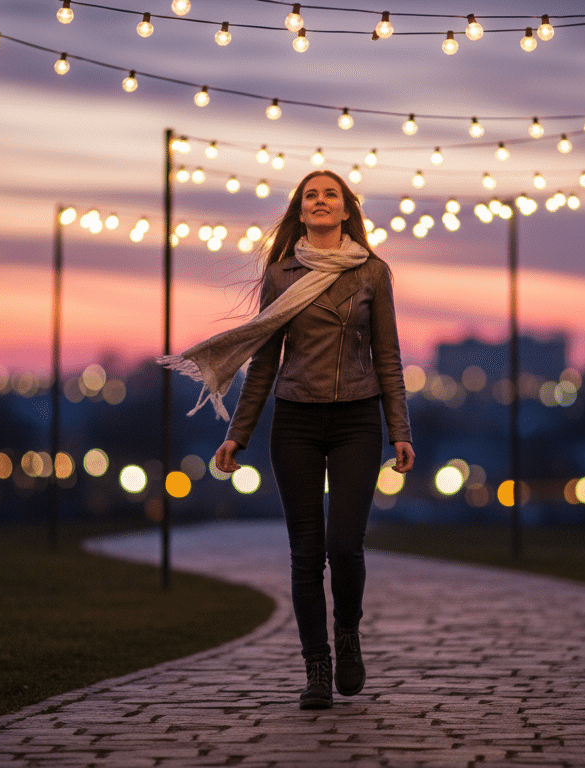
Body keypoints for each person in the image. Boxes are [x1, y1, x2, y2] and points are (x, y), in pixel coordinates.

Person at [160, 169, 414, 710]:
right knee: (306, 553)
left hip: (357, 422)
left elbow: (387, 357)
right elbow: (263, 364)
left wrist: (400, 431)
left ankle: (348, 634)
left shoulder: (373, 272)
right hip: (295, 424)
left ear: (347, 210)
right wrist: (238, 435)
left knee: (344, 546)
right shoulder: (281, 277)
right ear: (301, 212)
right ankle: (316, 666)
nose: (321, 201)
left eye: (331, 195)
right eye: (310, 196)